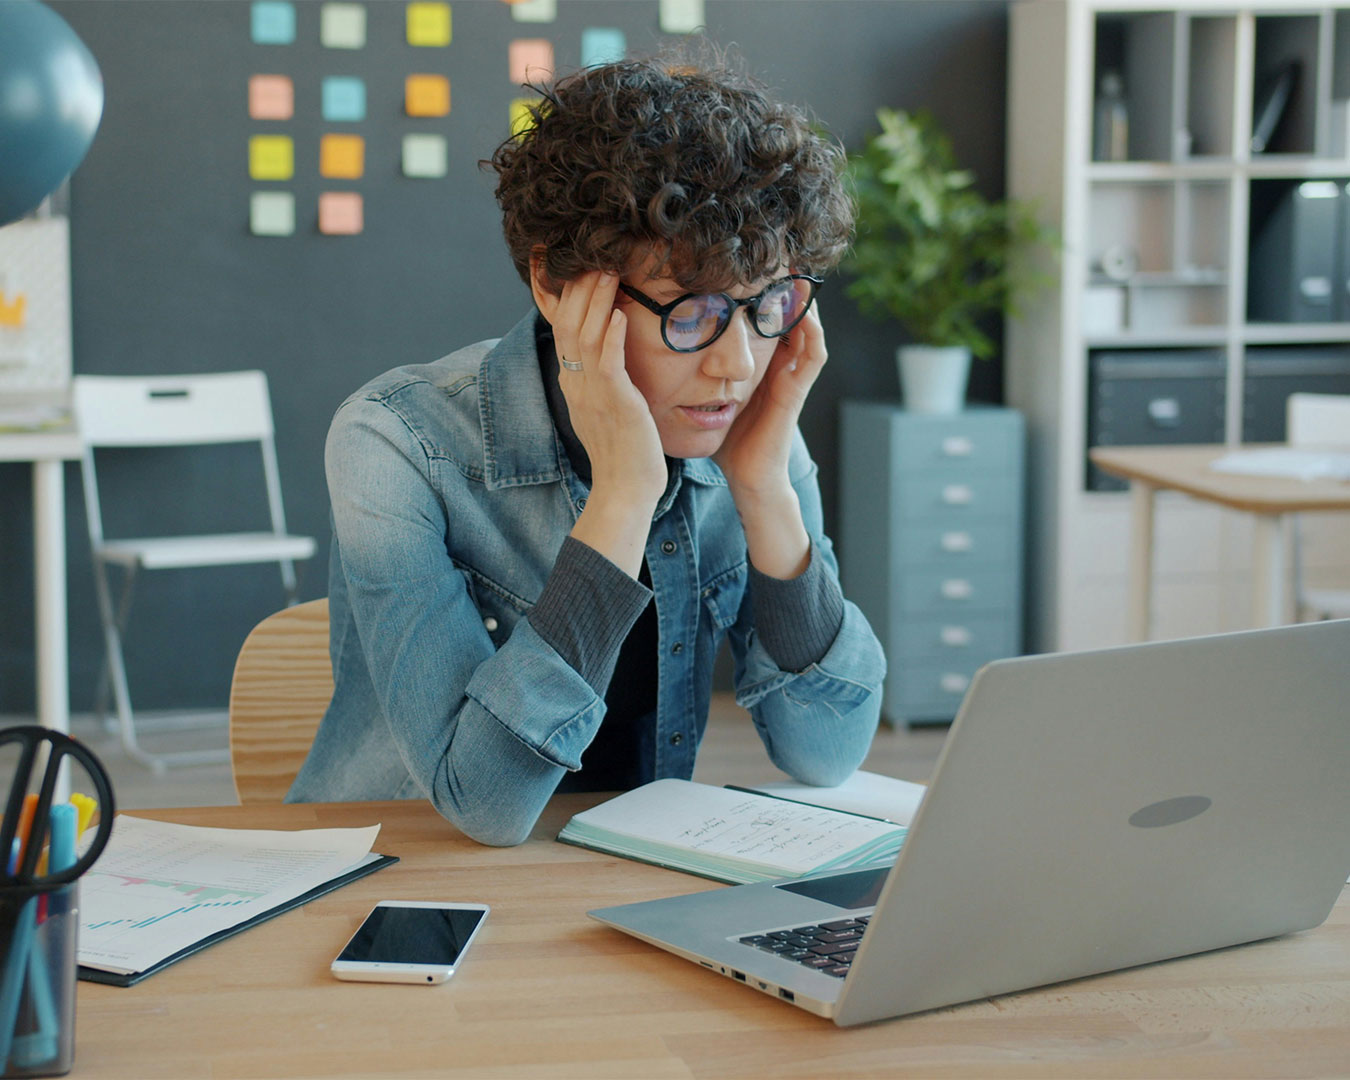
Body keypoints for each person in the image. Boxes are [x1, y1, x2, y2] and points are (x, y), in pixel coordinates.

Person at [287, 51, 887, 845]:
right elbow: (484, 806)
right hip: (399, 876)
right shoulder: (399, 443)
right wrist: (622, 498)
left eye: (767, 303)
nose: (737, 364)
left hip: (612, 875)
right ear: (558, 285)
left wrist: (768, 489)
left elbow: (828, 752)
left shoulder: (742, 430)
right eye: (691, 313)